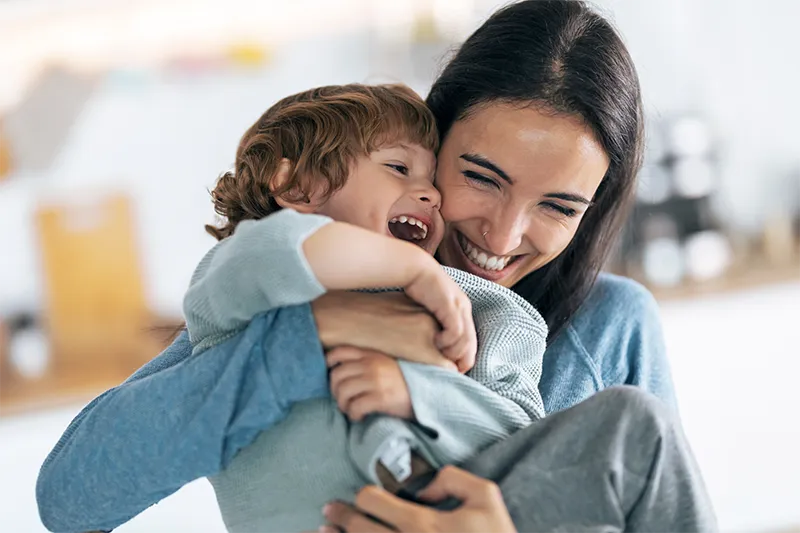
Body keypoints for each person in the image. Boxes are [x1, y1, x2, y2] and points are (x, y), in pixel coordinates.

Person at [36, 1, 697, 532]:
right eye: (480, 176)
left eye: (558, 205)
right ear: (431, 140)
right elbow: (70, 498)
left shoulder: (609, 328)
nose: (503, 232)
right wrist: (318, 333)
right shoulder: (300, 287)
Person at [180, 82, 547, 532]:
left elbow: (529, 441)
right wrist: (412, 270)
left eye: (432, 180)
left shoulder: (485, 308)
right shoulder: (236, 282)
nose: (431, 195)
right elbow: (273, 247)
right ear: (299, 187)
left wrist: (416, 393)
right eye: (398, 167)